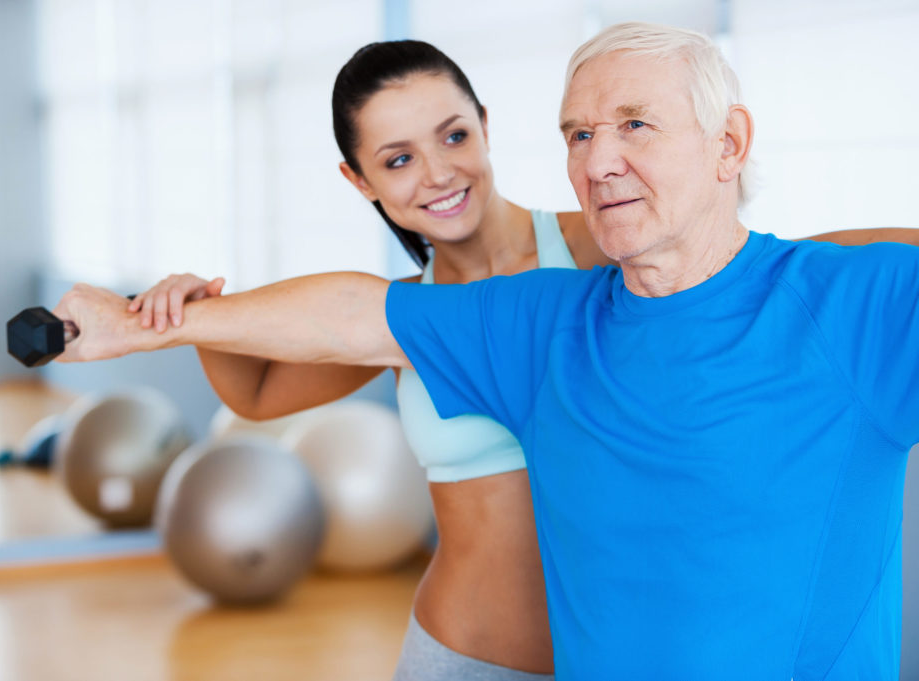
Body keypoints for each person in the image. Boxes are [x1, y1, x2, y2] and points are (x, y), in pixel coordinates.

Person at [53, 26, 918, 680]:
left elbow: (744, 256)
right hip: (474, 642)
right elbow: (317, 343)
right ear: (361, 181)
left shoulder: (603, 247)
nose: (436, 172)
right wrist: (178, 314)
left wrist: (829, 273)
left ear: (487, 127)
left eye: (452, 135)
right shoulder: (497, 317)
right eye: (398, 158)